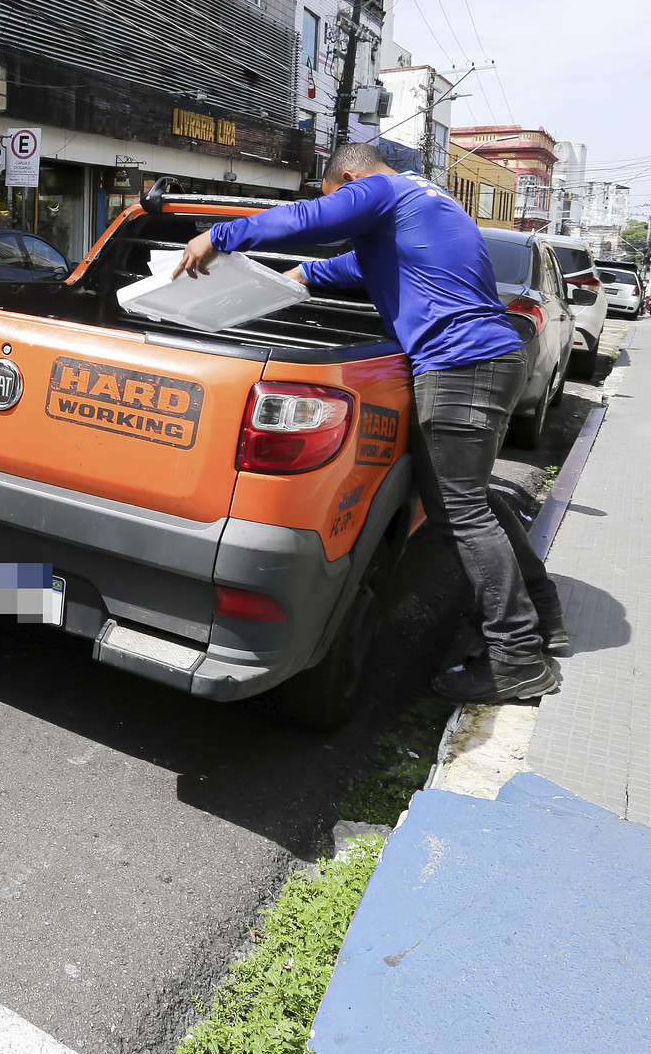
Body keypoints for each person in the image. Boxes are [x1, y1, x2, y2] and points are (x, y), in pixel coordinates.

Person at [174, 143, 567, 704]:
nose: (345, 208)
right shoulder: (425, 204)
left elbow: (308, 219)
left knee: (461, 512)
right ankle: (541, 613)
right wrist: (298, 277)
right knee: (472, 500)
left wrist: (220, 236)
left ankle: (516, 657)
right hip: (485, 358)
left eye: (341, 196)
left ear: (351, 179)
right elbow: (355, 265)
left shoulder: (383, 190)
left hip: (460, 364)